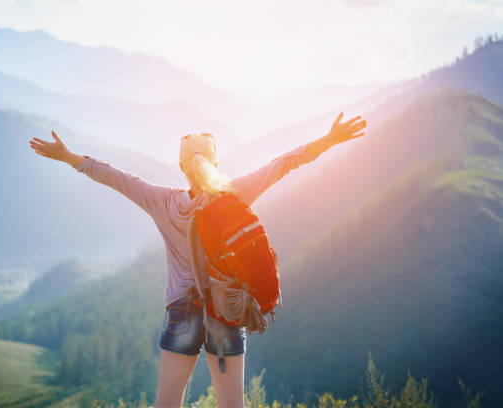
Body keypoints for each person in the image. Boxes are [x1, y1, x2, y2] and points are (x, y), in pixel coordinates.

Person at [29, 112, 366, 408]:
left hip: (182, 313)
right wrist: (330, 140)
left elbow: (113, 176)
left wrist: (68, 156)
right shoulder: (233, 194)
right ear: (215, 163)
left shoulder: (162, 201)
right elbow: (284, 163)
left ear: (180, 165)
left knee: (167, 402)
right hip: (224, 312)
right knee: (232, 404)